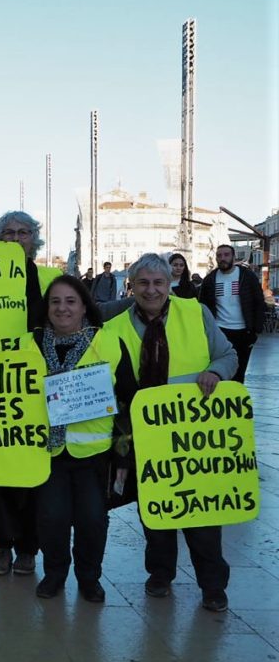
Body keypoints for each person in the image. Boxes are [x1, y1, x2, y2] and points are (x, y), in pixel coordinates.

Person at [104, 252, 237, 612]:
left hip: (195, 436)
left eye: (158, 283)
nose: (151, 290)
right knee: (156, 509)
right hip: (146, 435)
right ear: (132, 286)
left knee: (202, 514)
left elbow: (228, 355)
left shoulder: (195, 313)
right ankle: (159, 574)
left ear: (170, 284)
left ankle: (213, 585)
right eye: (143, 283)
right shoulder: (114, 328)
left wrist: (216, 373)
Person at [32, 276, 136, 602]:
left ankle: (89, 578)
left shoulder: (109, 343)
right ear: (46, 307)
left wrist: (123, 453)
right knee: (51, 518)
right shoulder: (27, 345)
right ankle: (54, 574)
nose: (62, 308)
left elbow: (127, 400)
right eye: (55, 302)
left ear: (84, 306)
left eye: (70, 301)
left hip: (95, 453)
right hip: (45, 452)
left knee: (93, 520)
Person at [0, 211, 46, 577]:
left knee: (27, 468)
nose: (16, 239)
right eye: (8, 233)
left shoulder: (47, 277)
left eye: (23, 233)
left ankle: (28, 548)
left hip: (29, 384)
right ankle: (1, 546)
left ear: (34, 239)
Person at [198, 245, 266, 383]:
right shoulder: (210, 279)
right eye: (219, 255)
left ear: (234, 257)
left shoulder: (247, 276)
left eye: (226, 255)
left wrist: (256, 330)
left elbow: (259, 302)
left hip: (243, 332)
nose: (222, 258)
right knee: (220, 371)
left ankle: (236, 401)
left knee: (239, 372)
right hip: (219, 330)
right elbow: (202, 305)